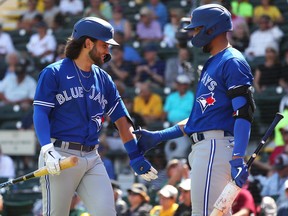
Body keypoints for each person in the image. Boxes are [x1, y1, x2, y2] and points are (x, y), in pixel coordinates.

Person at [133, 4, 254, 215]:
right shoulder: (213, 62)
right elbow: (198, 119)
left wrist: (238, 156)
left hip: (215, 148)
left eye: (197, 29)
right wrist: (159, 136)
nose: (194, 33)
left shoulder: (232, 61)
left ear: (212, 29)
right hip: (206, 148)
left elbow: (244, 113)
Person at [33, 17, 158, 216]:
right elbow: (40, 112)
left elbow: (122, 120)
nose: (108, 51)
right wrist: (47, 149)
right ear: (87, 43)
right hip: (60, 155)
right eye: (104, 45)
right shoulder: (53, 73)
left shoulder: (103, 78)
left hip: (92, 157)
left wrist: (134, 154)